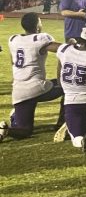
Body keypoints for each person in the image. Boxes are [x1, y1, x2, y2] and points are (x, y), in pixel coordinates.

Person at [1, 13, 63, 141]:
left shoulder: (14, 39)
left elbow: (13, 62)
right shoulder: (41, 39)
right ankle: (63, 123)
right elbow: (62, 49)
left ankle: (5, 130)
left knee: (25, 131)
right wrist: (73, 43)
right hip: (38, 88)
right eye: (40, 21)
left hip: (19, 90)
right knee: (69, 86)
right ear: (37, 26)